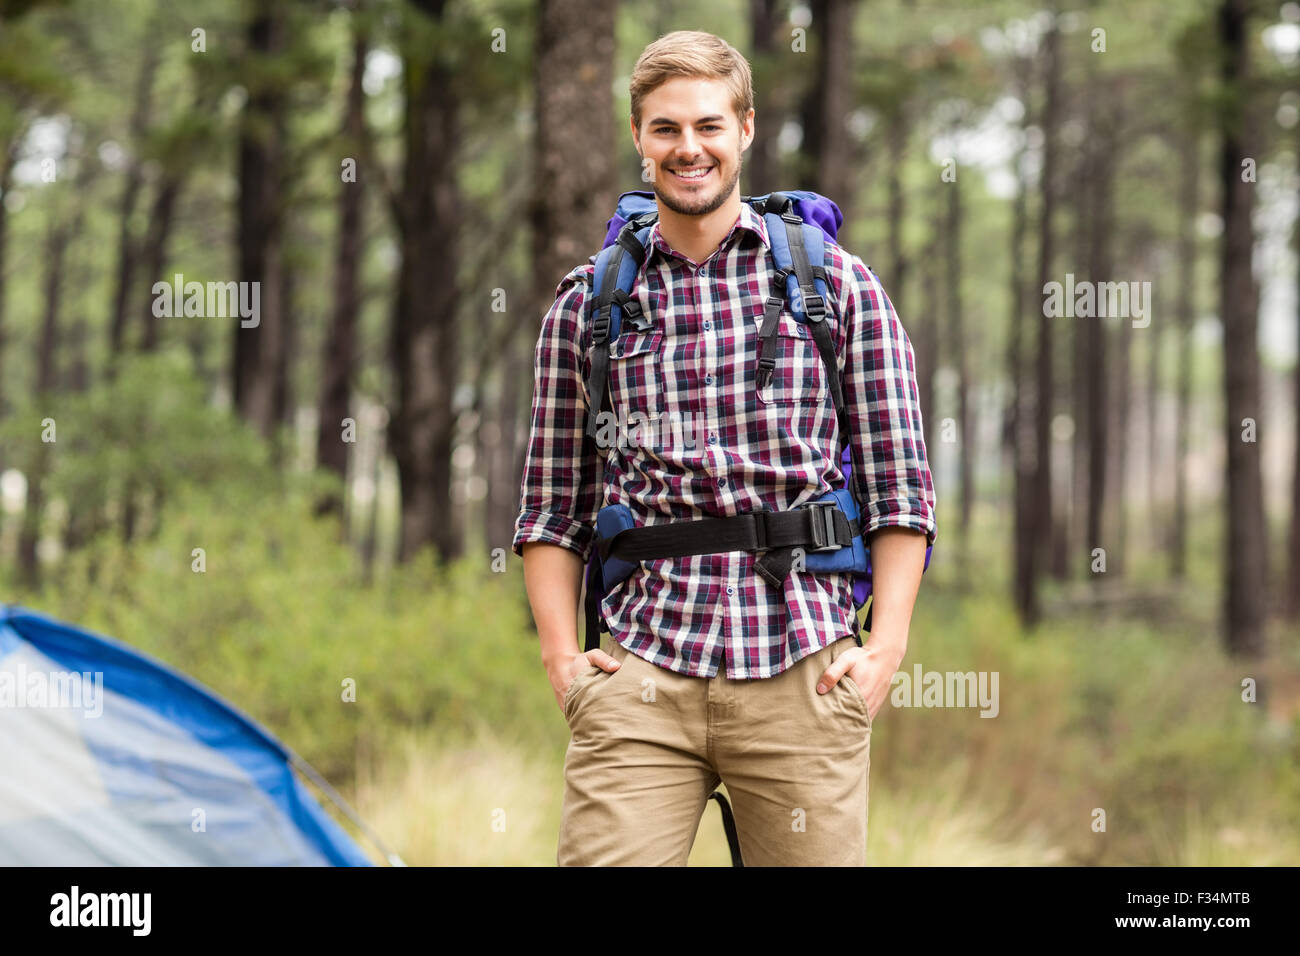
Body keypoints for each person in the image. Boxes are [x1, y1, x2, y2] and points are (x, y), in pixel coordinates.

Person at [513, 29, 937, 866]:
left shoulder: (837, 287)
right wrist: (564, 662)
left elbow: (901, 492)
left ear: (745, 128)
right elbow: (552, 510)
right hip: (640, 676)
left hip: (804, 668)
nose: (689, 147)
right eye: (666, 128)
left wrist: (884, 649)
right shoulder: (587, 306)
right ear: (638, 137)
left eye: (709, 125)